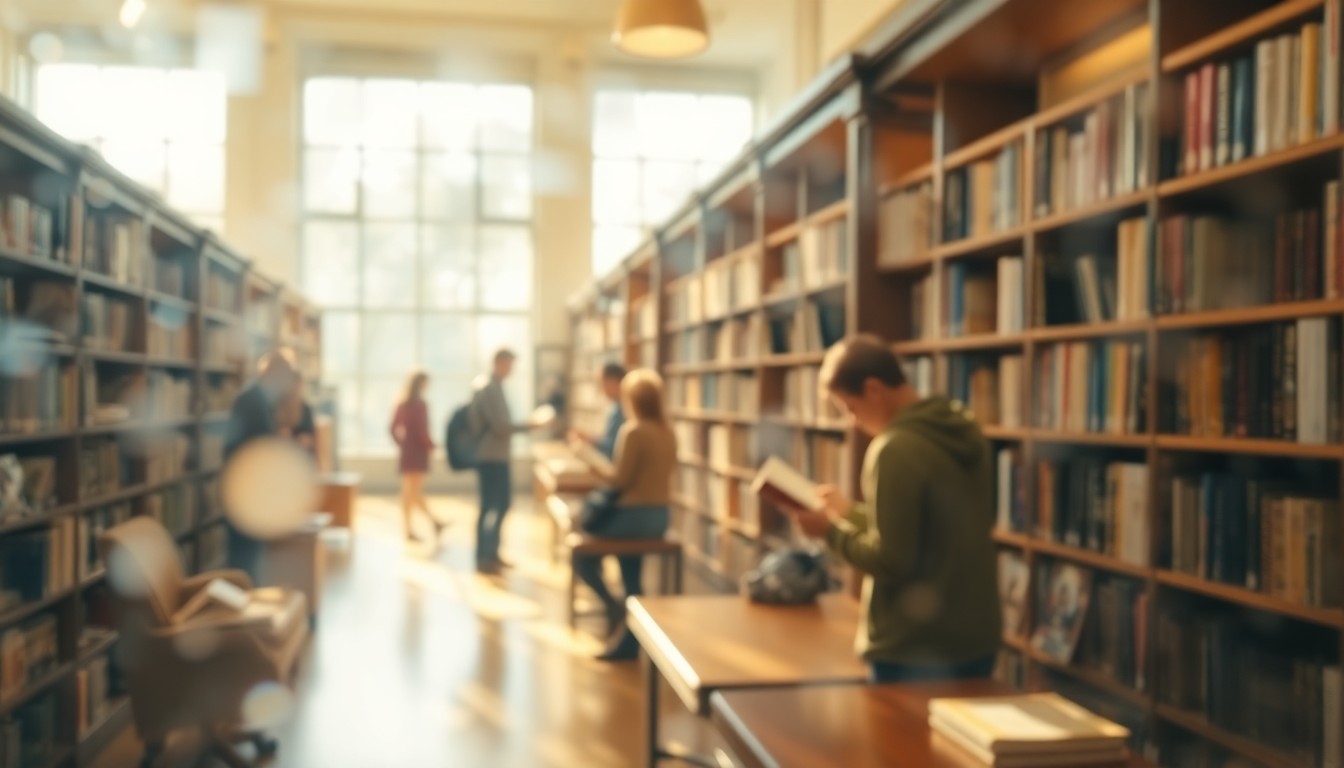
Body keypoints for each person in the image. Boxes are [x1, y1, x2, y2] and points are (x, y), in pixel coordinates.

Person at [790, 335, 1000, 683]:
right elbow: (932, 531)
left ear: (873, 389)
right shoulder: (963, 428)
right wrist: (849, 513)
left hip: (914, 645)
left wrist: (827, 532)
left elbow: (891, 561)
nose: (853, 422)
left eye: (850, 407)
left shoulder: (893, 449)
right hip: (974, 637)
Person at [571, 368, 676, 662]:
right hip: (659, 517)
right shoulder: (667, 431)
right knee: (632, 571)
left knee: (581, 555)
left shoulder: (634, 431)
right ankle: (631, 629)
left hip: (633, 516)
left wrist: (591, 463)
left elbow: (620, 480)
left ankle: (615, 608)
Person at [222, 348, 302, 583]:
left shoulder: (260, 399)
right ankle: (245, 602)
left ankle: (248, 598)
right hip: (244, 493)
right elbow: (260, 449)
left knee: (250, 559)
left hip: (248, 491)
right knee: (244, 563)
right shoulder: (252, 400)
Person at [469, 348, 532, 575]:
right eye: (509, 365)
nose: (511, 370)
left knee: (500, 505)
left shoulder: (493, 386)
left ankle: (491, 554)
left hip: (496, 456)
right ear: (499, 363)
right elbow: (501, 426)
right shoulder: (489, 387)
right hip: (491, 457)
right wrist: (531, 425)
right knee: (490, 507)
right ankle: (484, 558)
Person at [390, 370, 444, 544]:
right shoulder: (420, 404)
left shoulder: (401, 402)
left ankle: (424, 525)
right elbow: (423, 432)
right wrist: (431, 447)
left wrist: (402, 444)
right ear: (421, 383)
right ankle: (431, 523)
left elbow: (392, 428)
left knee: (410, 492)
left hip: (407, 451)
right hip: (418, 452)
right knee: (412, 493)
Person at [568, 362, 625, 460]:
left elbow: (613, 448)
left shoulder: (623, 409)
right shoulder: (615, 407)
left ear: (613, 381)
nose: (600, 389)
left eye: (601, 383)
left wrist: (588, 440)